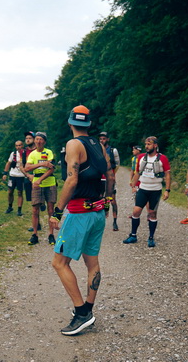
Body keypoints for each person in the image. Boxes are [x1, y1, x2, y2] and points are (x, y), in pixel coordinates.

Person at [50, 105, 114, 336]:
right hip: (97, 213)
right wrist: (107, 202)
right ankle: (88, 308)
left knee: (59, 263)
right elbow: (110, 175)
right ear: (88, 124)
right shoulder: (98, 144)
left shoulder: (73, 144)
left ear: (70, 123)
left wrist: (57, 211)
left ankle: (81, 313)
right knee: (92, 263)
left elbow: (71, 180)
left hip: (79, 214)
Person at [125, 136, 171, 247]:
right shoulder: (141, 157)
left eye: (149, 144)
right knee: (136, 211)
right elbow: (137, 172)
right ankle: (133, 235)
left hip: (155, 190)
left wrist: (167, 190)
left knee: (152, 213)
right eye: (146, 144)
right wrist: (133, 185)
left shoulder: (162, 158)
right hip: (143, 189)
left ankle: (151, 237)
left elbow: (167, 174)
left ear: (155, 145)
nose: (146, 146)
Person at [24, 132, 57, 245]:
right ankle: (35, 234)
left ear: (44, 142)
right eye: (37, 139)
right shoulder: (32, 154)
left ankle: (51, 234)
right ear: (35, 141)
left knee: (50, 209)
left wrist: (40, 179)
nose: (38, 141)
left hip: (49, 182)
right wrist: (41, 164)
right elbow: (27, 168)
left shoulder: (48, 152)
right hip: (36, 184)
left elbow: (51, 168)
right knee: (35, 209)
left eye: (41, 139)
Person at [99, 132, 120, 230]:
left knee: (112, 200)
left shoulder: (112, 150)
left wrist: (111, 175)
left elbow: (117, 163)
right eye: (100, 139)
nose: (102, 140)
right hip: (99, 178)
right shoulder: (97, 149)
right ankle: (100, 220)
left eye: (104, 138)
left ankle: (115, 222)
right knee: (99, 199)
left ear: (107, 139)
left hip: (109, 179)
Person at [2, 140, 25, 216]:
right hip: (12, 175)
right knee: (10, 192)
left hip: (21, 176)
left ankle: (19, 210)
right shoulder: (13, 154)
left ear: (22, 145)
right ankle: (10, 207)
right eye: (17, 146)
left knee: (20, 192)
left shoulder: (25, 153)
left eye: (20, 145)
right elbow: (8, 163)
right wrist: (5, 173)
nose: (18, 147)